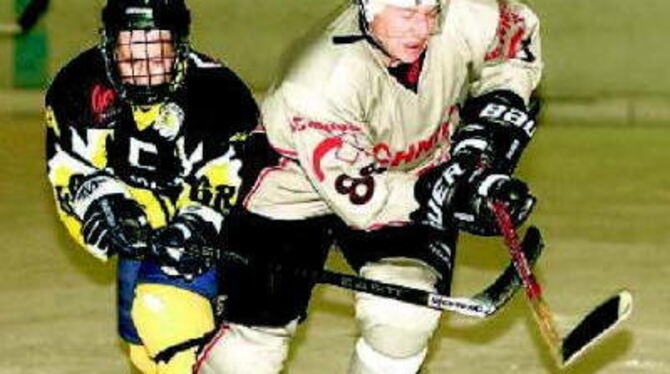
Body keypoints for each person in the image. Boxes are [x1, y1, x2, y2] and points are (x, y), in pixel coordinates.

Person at [196, 0, 542, 373]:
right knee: (247, 352)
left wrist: (496, 113)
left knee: (403, 319)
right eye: (406, 15)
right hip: (296, 192)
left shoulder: (462, 14)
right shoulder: (321, 79)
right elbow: (367, 198)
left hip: (412, 173)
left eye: (430, 14)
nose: (421, 29)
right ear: (368, 8)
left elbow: (511, 40)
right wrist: (446, 194)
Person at [44, 0, 259, 373]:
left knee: (169, 319)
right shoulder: (77, 88)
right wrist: (101, 203)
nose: (146, 76)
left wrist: (201, 222)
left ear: (180, 48)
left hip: (206, 224)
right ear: (109, 49)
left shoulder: (221, 95)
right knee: (143, 350)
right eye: (132, 62)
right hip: (137, 215)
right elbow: (70, 167)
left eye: (158, 59)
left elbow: (237, 174)